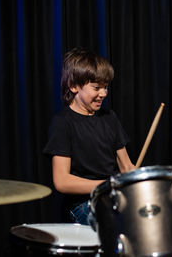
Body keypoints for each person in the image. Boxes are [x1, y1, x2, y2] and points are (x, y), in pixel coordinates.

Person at [43, 48, 135, 225]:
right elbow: (62, 181)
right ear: (74, 86)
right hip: (82, 204)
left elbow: (126, 166)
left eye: (106, 87)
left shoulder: (109, 118)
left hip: (112, 197)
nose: (104, 93)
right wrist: (107, 186)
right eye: (97, 87)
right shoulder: (63, 123)